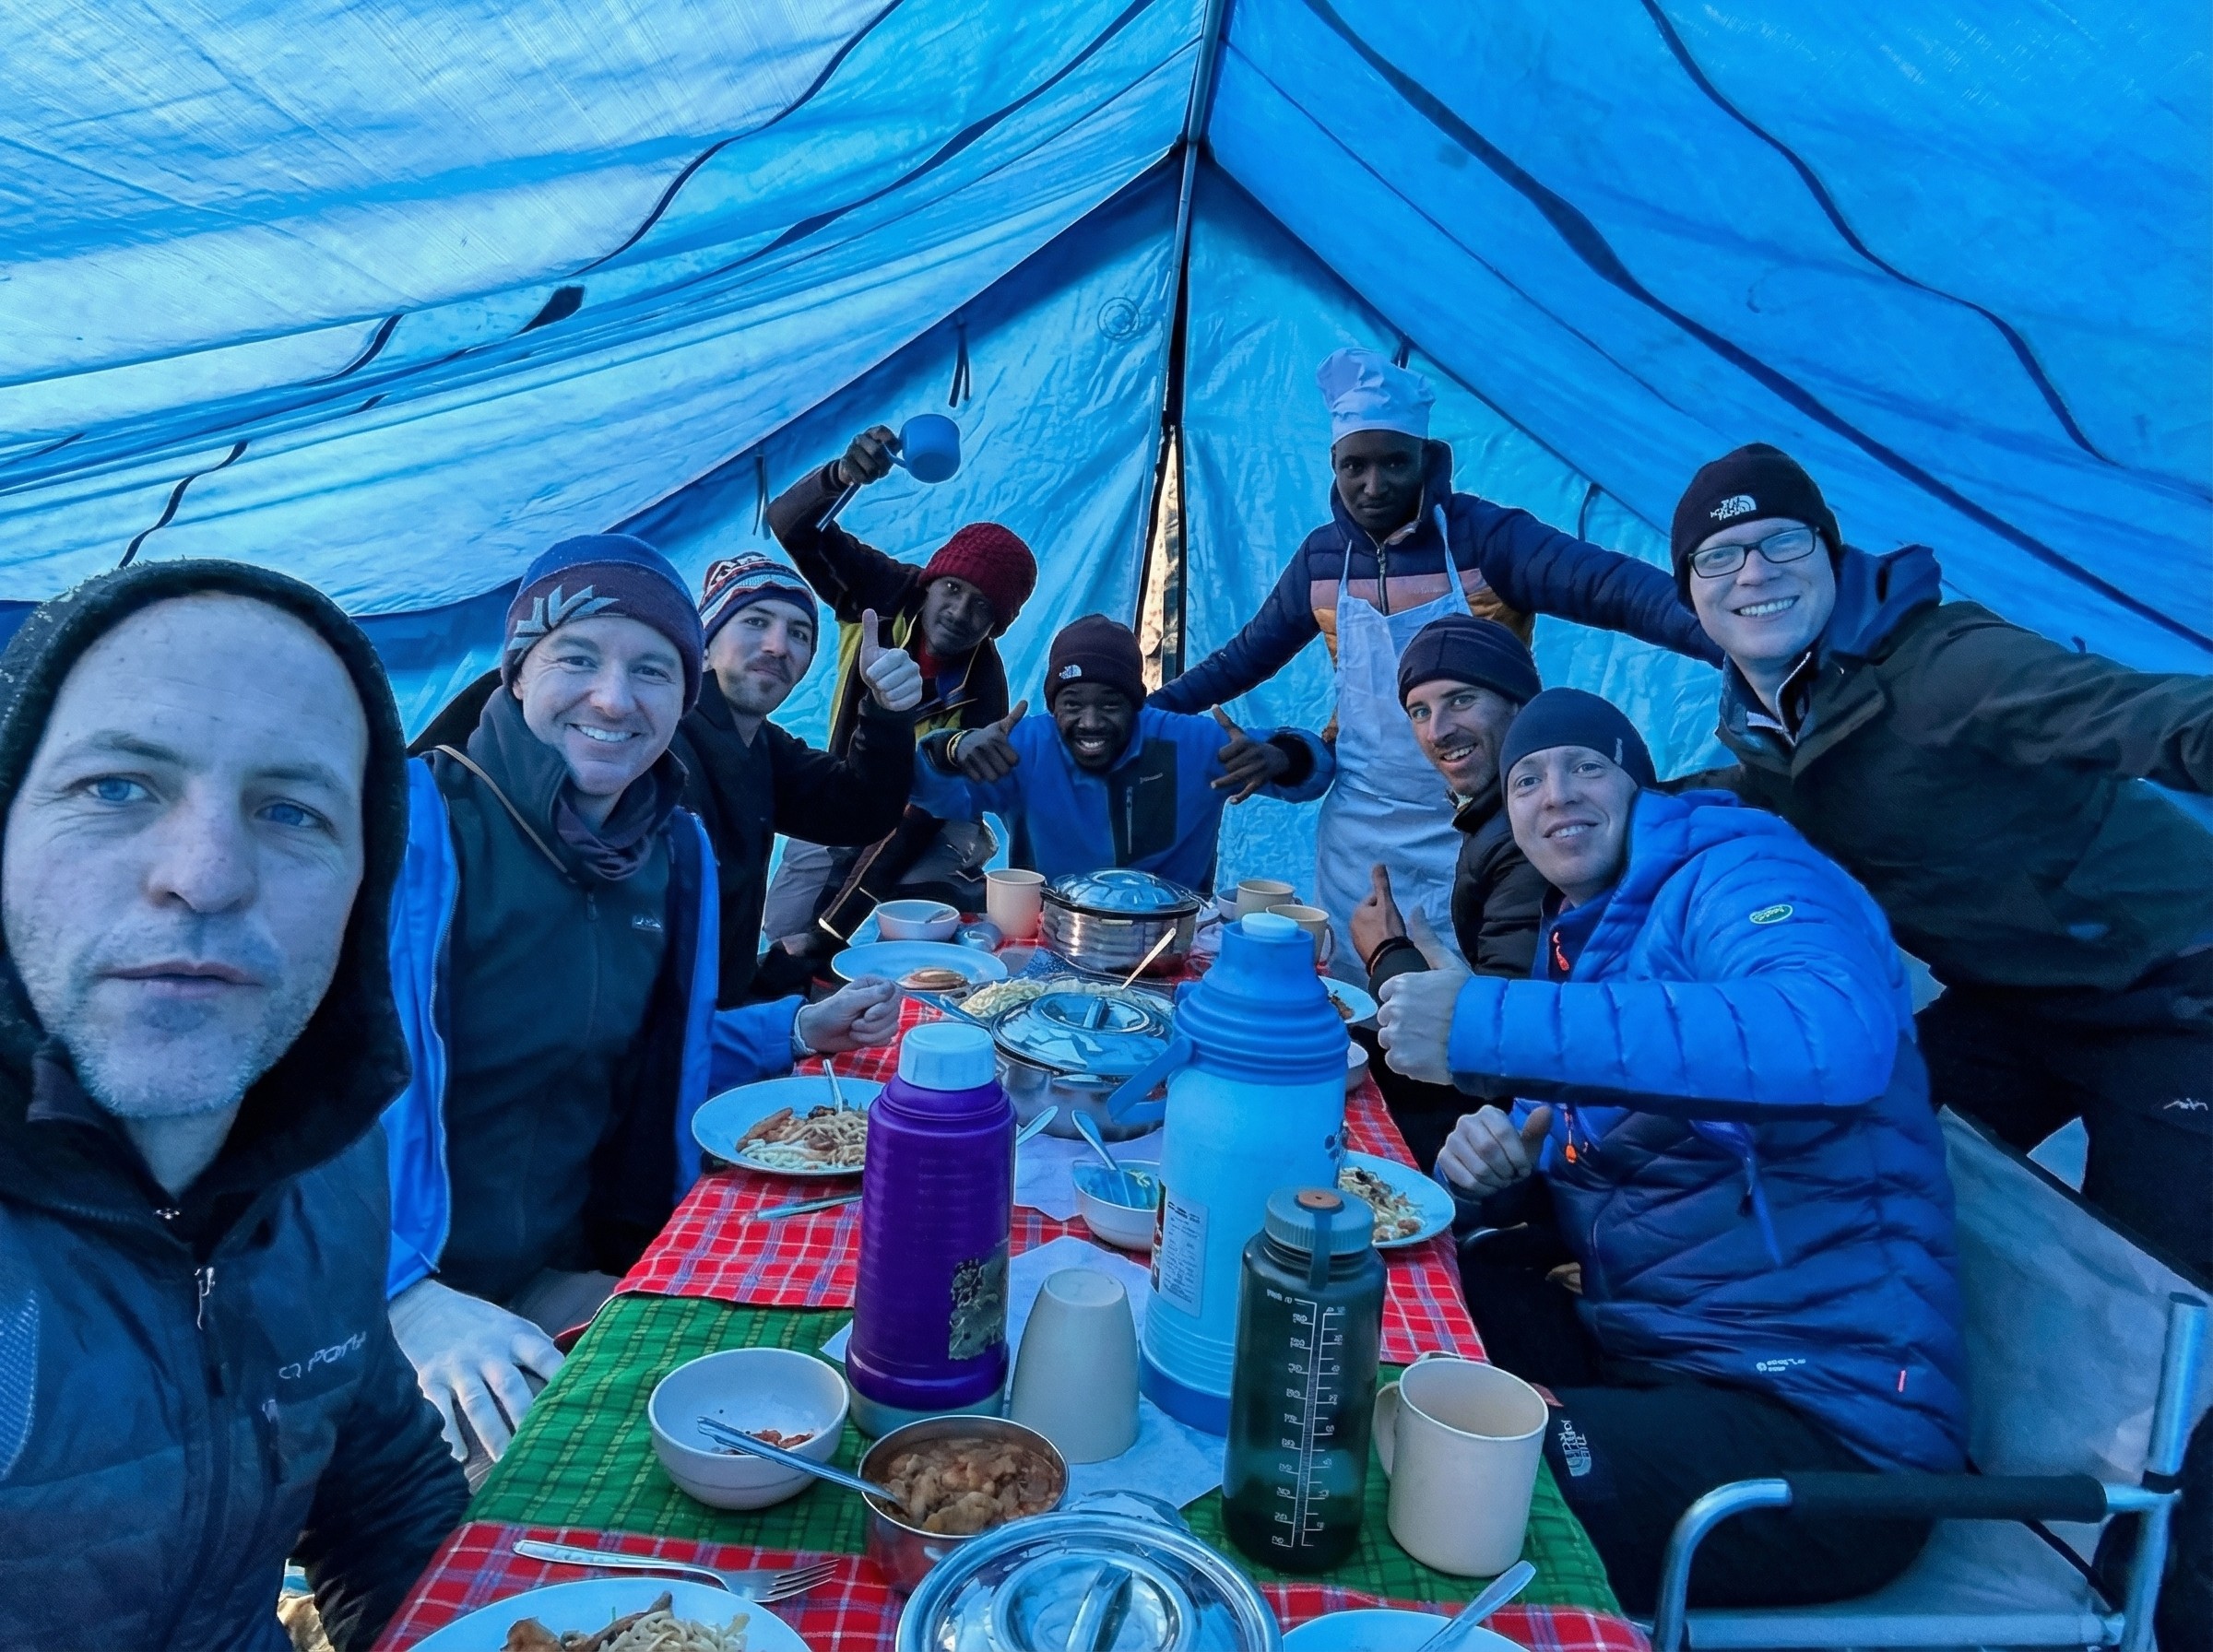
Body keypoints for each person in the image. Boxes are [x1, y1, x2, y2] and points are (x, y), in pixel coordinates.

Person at [1376, 688, 1964, 1613]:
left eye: (1586, 766)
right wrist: (1508, 1165)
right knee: (1365, 1320)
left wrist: (1486, 1018)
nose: (1556, 794)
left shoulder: (1743, 870)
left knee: (1441, 1478)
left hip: (1822, 1430)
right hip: (1656, 1350)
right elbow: (1623, 1135)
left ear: (1639, 786)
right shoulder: (1589, 938)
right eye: (1527, 779)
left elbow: (1826, 1032)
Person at [0, 561, 466, 1650]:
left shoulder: (328, 1165)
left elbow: (383, 1492)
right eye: (117, 786)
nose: (206, 875)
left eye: (291, 810)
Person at [381, 535, 900, 1473]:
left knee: (800, 1387)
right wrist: (400, 1293)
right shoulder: (409, 826)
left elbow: (656, 1049)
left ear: (684, 694)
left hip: (555, 1270)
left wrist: (792, 1027)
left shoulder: (671, 853)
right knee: (530, 1509)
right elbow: (267, 1106)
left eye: (652, 670)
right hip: (382, 1310)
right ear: (519, 669)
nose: (614, 700)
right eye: (577, 659)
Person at [1669, 443, 2213, 1277]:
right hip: (2015, 1001)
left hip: (2172, 991)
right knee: (1829, 1152)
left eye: (1783, 541)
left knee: (2151, 1283)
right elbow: (1764, 795)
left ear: (1830, 552)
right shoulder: (1767, 725)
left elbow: (2147, 715)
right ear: (1690, 591)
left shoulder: (1953, 666)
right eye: (1721, 556)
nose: (1754, 572)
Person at [1152, 347, 1719, 966]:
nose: (1374, 486)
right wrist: (1146, 713)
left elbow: (1617, 591)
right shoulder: (1322, 563)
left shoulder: (1487, 540)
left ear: (1427, 459)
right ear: (1334, 466)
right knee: (1358, 999)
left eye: (1394, 462)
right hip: (1359, 838)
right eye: (1355, 466)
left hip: (1485, 830)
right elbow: (1240, 660)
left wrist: (1733, 641)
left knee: (1478, 993)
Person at [762, 426, 1038, 956]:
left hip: (923, 819)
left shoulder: (983, 688)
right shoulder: (882, 593)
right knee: (784, 928)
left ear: (996, 626)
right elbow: (788, 524)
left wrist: (835, 925)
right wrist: (842, 477)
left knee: (906, 913)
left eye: (982, 607)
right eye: (952, 589)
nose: (958, 613)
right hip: (843, 782)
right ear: (931, 583)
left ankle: (945, 908)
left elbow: (920, 818)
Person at [909, 615, 1333, 889]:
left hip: (1172, 942)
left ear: (1136, 702)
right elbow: (934, 798)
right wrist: (949, 749)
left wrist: (1285, 758)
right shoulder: (1026, 747)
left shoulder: (1190, 743)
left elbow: (1317, 772)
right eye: (1072, 704)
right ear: (1053, 706)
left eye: (1110, 704)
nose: (1091, 722)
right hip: (1050, 931)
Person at [668, 552, 921, 1004]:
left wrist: (886, 714)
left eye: (798, 633)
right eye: (756, 622)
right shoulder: (661, 746)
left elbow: (861, 810)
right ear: (703, 646)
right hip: (668, 1029)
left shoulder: (762, 745)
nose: (778, 646)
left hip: (721, 1010)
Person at [1347, 613, 1547, 1169]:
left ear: (1518, 704)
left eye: (1461, 700)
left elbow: (1504, 1039)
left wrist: (1388, 954)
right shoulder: (1494, 818)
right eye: (1420, 711)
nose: (1438, 731)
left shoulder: (1536, 832)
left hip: (1519, 1126)